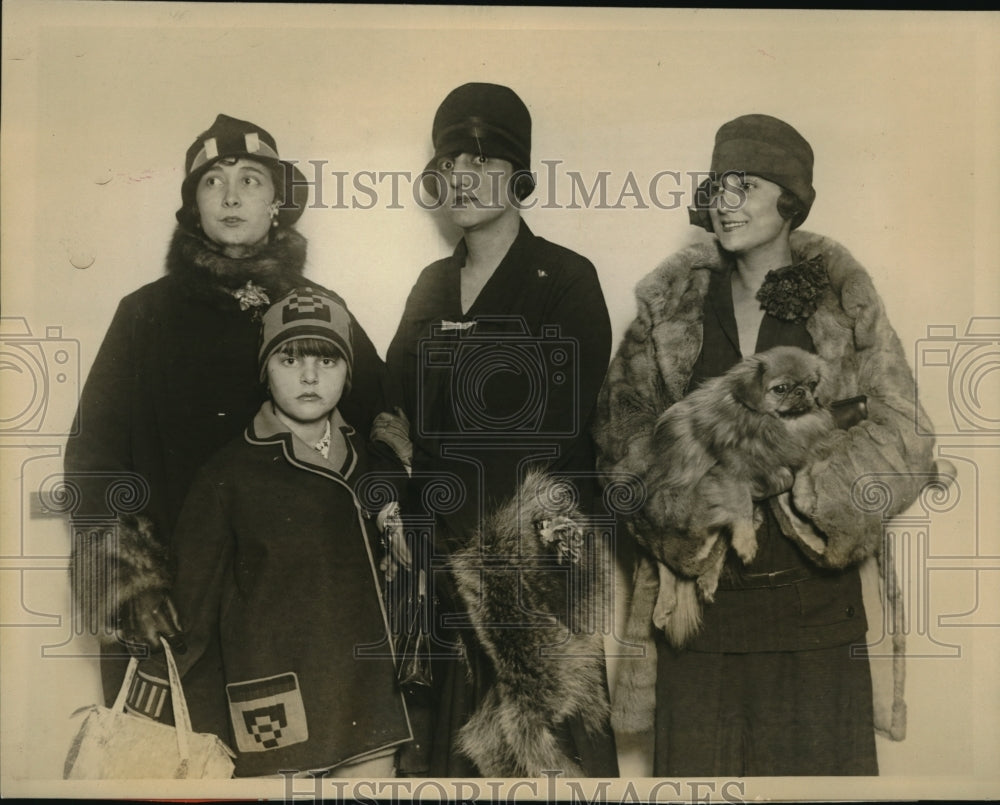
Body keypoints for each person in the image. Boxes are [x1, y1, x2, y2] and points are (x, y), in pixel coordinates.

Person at [592, 114, 943, 776]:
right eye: (718, 185)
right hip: (701, 618)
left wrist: (807, 482)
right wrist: (694, 497)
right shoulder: (671, 305)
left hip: (816, 616)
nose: (723, 201)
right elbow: (620, 436)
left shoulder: (844, 300)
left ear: (790, 200)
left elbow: (904, 432)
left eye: (745, 185)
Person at [64, 114, 387, 704]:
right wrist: (128, 583)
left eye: (251, 180)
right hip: (176, 600)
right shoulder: (145, 314)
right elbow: (95, 454)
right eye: (213, 181)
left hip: (295, 599)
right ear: (194, 208)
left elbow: (383, 425)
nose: (232, 195)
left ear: (278, 205)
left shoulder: (319, 309)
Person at [384, 83, 618, 777]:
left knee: (549, 763)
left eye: (482, 163)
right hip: (435, 574)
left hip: (535, 576)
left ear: (519, 176)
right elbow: (390, 410)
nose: (461, 180)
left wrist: (429, 470)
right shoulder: (429, 284)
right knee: (447, 765)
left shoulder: (566, 280)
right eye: (449, 164)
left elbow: (552, 433)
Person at [128, 288, 412, 777]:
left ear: (348, 375)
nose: (308, 376)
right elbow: (191, 602)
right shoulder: (228, 474)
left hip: (371, 702)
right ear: (265, 371)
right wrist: (149, 690)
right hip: (277, 708)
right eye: (289, 358)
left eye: (327, 360)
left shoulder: (371, 463)